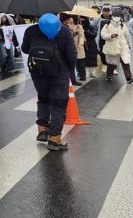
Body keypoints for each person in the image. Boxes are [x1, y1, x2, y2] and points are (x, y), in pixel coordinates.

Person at [21, 13, 76, 151]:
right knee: (58, 105)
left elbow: (25, 49)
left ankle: (43, 130)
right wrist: (69, 69)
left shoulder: (31, 30)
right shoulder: (63, 31)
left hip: (37, 71)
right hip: (59, 72)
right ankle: (54, 138)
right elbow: (71, 54)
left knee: (43, 99)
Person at [100, 10, 133, 83]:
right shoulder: (107, 25)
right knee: (112, 63)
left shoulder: (123, 25)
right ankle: (109, 75)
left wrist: (129, 44)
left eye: (118, 16)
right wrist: (111, 36)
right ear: (111, 17)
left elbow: (127, 35)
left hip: (123, 46)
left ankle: (129, 78)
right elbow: (103, 35)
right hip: (112, 46)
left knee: (125, 61)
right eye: (115, 16)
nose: (117, 18)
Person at [61, 15, 85, 84]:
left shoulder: (78, 26)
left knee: (76, 63)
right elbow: (67, 37)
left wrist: (80, 44)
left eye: (71, 20)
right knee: (69, 64)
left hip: (76, 47)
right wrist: (74, 32)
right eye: (68, 20)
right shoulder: (62, 27)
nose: (69, 21)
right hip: (67, 48)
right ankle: (70, 80)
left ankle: (75, 79)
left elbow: (81, 36)